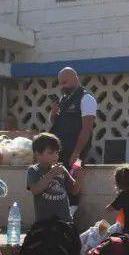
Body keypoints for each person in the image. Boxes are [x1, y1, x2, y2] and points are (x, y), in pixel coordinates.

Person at [49, 67, 96, 215]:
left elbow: (87, 129)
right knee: (58, 183)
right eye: (60, 83)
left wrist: (77, 152)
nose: (62, 86)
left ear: (75, 79)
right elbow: (55, 123)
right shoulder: (64, 99)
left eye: (65, 82)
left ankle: (70, 216)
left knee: (73, 184)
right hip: (60, 150)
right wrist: (53, 113)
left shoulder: (86, 99)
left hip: (76, 151)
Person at [26, 133, 79, 223]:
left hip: (65, 220)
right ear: (38, 154)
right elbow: (35, 190)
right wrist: (52, 173)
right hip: (45, 222)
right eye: (50, 152)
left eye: (57, 152)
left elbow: (74, 190)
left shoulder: (61, 169)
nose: (55, 156)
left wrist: (79, 176)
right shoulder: (34, 170)